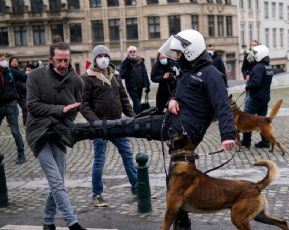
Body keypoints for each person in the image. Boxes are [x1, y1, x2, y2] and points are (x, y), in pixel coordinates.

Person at [50, 29, 236, 230]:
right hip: (173, 123)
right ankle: (182, 225)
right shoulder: (188, 70)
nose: (177, 57)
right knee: (175, 181)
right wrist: (174, 99)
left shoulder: (211, 74)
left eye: (180, 53)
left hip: (184, 133)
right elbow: (178, 92)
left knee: (126, 126)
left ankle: (75, 132)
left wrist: (227, 134)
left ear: (191, 52)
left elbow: (222, 105)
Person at [26, 42, 86, 230]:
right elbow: (32, 106)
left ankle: (48, 222)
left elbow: (76, 108)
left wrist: (66, 116)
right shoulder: (35, 76)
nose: (62, 64)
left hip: (60, 133)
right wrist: (60, 109)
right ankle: (73, 223)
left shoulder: (77, 81)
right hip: (39, 132)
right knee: (56, 182)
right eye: (59, 60)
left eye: (66, 60)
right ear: (50, 58)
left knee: (58, 180)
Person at [80, 45, 138, 207]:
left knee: (127, 155)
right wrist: (95, 122)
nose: (103, 58)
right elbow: (84, 105)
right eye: (100, 56)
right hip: (99, 126)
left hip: (117, 123)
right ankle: (96, 194)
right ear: (95, 59)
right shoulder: (88, 77)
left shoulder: (115, 75)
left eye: (106, 55)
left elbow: (124, 98)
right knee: (99, 160)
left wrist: (133, 118)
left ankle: (137, 187)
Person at [0, 53, 28, 164]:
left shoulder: (9, 71)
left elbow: (25, 77)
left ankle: (21, 154)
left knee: (15, 131)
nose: (5, 61)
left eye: (5, 59)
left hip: (10, 105)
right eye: (2, 60)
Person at [241, 45, 274, 149]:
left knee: (247, 119)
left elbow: (256, 83)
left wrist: (247, 87)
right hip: (265, 97)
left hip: (255, 97)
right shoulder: (268, 67)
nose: (253, 56)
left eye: (255, 54)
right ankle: (265, 141)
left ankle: (246, 141)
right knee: (262, 120)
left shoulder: (258, 67)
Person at [120, 45, 151, 114]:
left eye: (134, 51)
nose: (132, 53)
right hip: (131, 87)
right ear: (128, 53)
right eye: (130, 52)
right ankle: (139, 116)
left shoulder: (141, 61)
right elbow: (122, 75)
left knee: (137, 102)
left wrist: (147, 85)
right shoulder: (125, 63)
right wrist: (127, 67)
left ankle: (135, 116)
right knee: (137, 102)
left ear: (136, 52)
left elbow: (144, 73)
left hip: (140, 86)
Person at [10, 56, 28, 125]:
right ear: (10, 63)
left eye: (16, 61)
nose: (14, 62)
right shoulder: (10, 70)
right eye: (13, 61)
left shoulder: (19, 70)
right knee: (12, 110)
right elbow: (23, 77)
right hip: (13, 93)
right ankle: (11, 122)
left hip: (21, 93)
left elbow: (24, 78)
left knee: (25, 107)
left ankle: (26, 122)